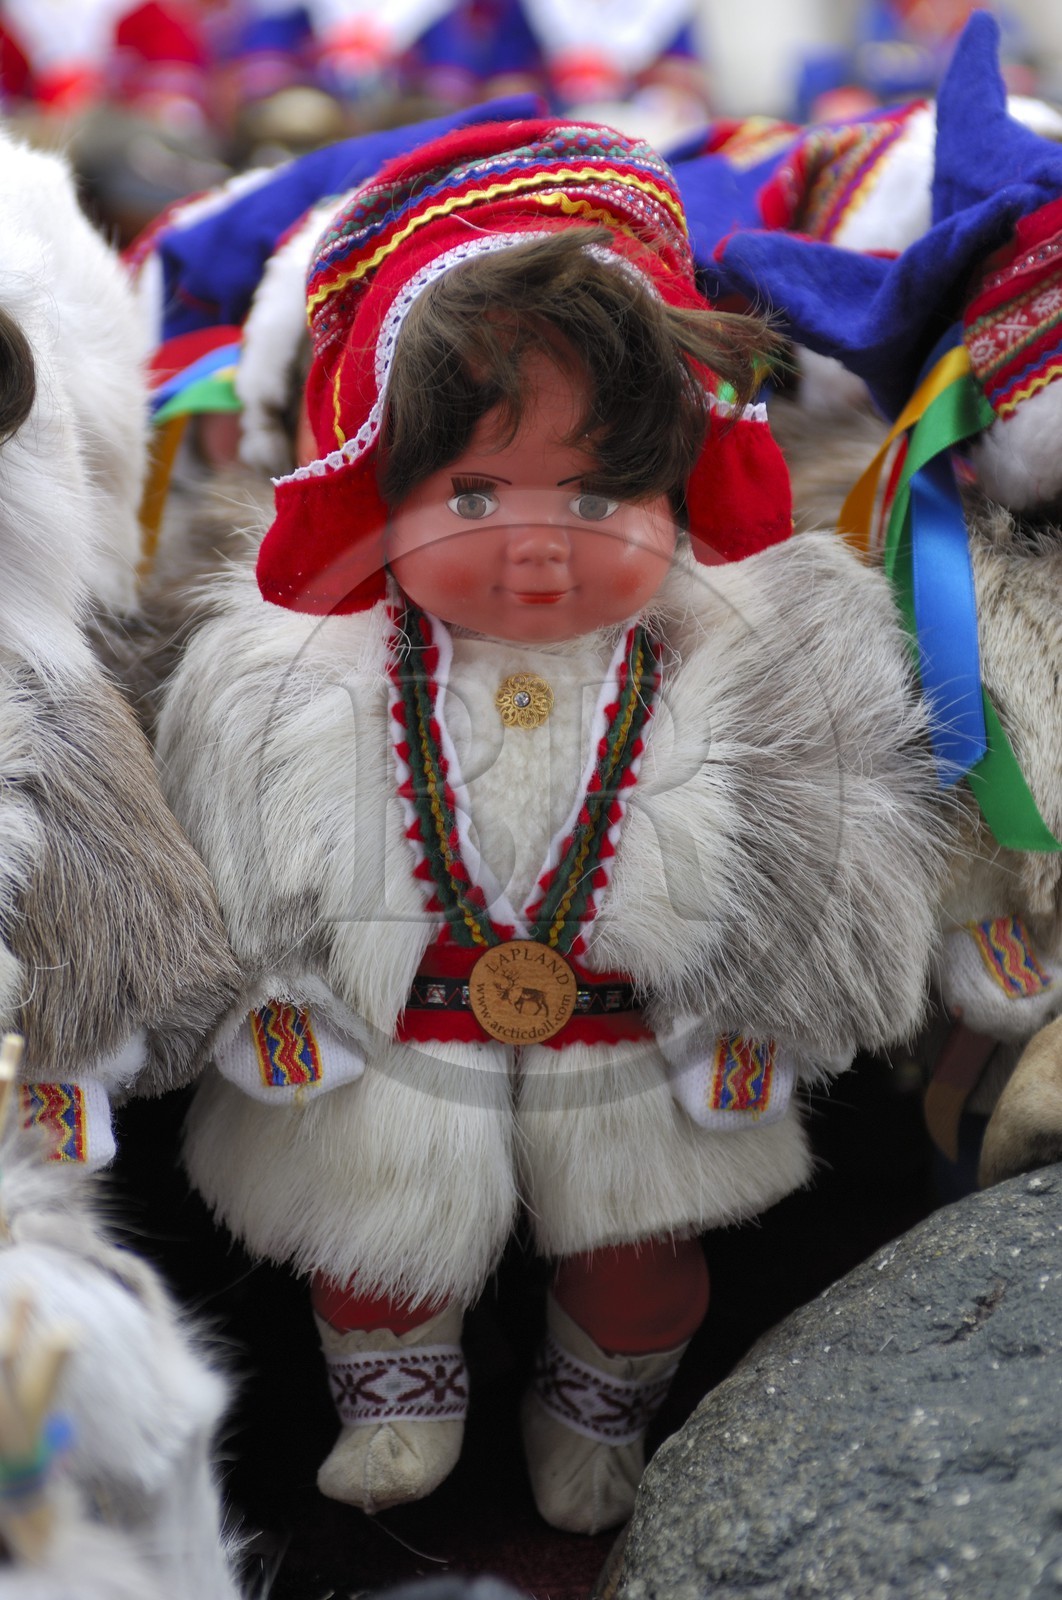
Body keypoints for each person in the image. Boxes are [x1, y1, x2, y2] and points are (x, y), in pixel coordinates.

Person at [154, 118, 946, 1533]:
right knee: (373, 1245)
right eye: (472, 491)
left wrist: (772, 1004)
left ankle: (598, 1411)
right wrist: (269, 991)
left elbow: (823, 865)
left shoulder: (742, 665)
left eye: (595, 494)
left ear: (676, 489)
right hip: (391, 1036)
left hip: (645, 1032)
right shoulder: (289, 677)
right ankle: (398, 1393)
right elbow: (238, 855)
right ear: (377, 493)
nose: (536, 539)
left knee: (640, 1257)